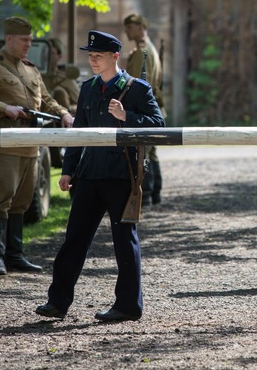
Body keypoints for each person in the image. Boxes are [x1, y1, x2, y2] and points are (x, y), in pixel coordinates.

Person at [35, 30, 164, 322]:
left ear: (115, 57)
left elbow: (159, 125)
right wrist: (68, 170)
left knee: (124, 241)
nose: (93, 61)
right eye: (90, 56)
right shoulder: (89, 88)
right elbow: (79, 132)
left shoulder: (138, 89)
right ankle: (57, 302)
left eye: (99, 56)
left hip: (121, 175)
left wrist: (127, 117)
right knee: (74, 239)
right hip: (90, 175)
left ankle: (128, 306)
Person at [0, 16, 75, 275]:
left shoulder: (31, 69)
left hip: (30, 146)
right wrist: (4, 107)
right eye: (24, 40)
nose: (29, 44)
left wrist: (64, 114)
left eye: (30, 40)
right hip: (4, 146)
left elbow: (46, 99)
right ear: (9, 39)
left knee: (22, 202)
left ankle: (15, 255)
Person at [124, 13, 165, 206]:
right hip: (153, 106)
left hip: (144, 108)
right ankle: (155, 193)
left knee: (143, 151)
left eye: (130, 27)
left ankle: (146, 194)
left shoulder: (142, 51)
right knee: (151, 151)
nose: (126, 31)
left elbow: (137, 85)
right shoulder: (149, 48)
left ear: (141, 26)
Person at [42, 38, 80, 114]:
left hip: (61, 119)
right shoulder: (36, 73)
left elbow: (79, 101)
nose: (47, 55)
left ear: (59, 56)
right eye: (45, 52)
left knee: (60, 92)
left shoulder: (64, 77)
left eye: (51, 53)